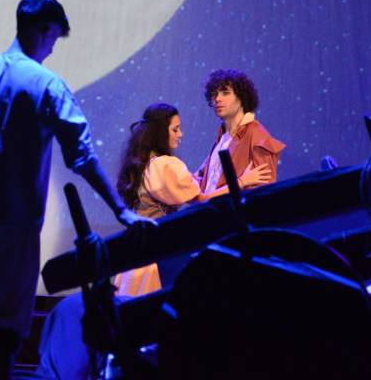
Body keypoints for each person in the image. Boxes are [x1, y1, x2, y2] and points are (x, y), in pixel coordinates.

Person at [0, 0, 151, 379]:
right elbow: (82, 156)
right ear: (44, 30)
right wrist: (120, 210)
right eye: (53, 39)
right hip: (14, 228)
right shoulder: (47, 85)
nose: (51, 49)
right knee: (4, 336)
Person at [113, 103, 271, 296]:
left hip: (137, 255)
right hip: (155, 259)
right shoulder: (166, 165)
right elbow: (202, 199)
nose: (180, 134)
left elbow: (180, 186)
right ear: (160, 132)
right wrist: (242, 181)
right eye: (175, 129)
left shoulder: (143, 163)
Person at [193, 69, 285, 194]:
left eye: (225, 93)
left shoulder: (257, 135)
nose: (218, 98)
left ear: (242, 97)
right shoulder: (222, 137)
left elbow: (263, 192)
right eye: (214, 94)